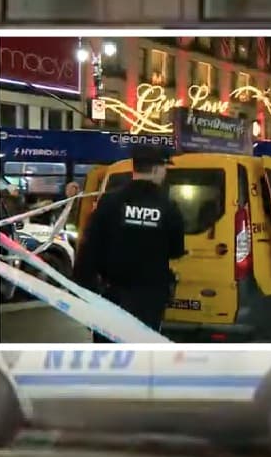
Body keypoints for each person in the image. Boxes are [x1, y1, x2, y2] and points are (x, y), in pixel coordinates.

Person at [73, 146, 186, 342]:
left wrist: (84, 291)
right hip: (149, 298)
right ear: (156, 169)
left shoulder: (110, 202)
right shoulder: (168, 207)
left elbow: (88, 248)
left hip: (111, 295)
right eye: (164, 168)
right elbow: (176, 250)